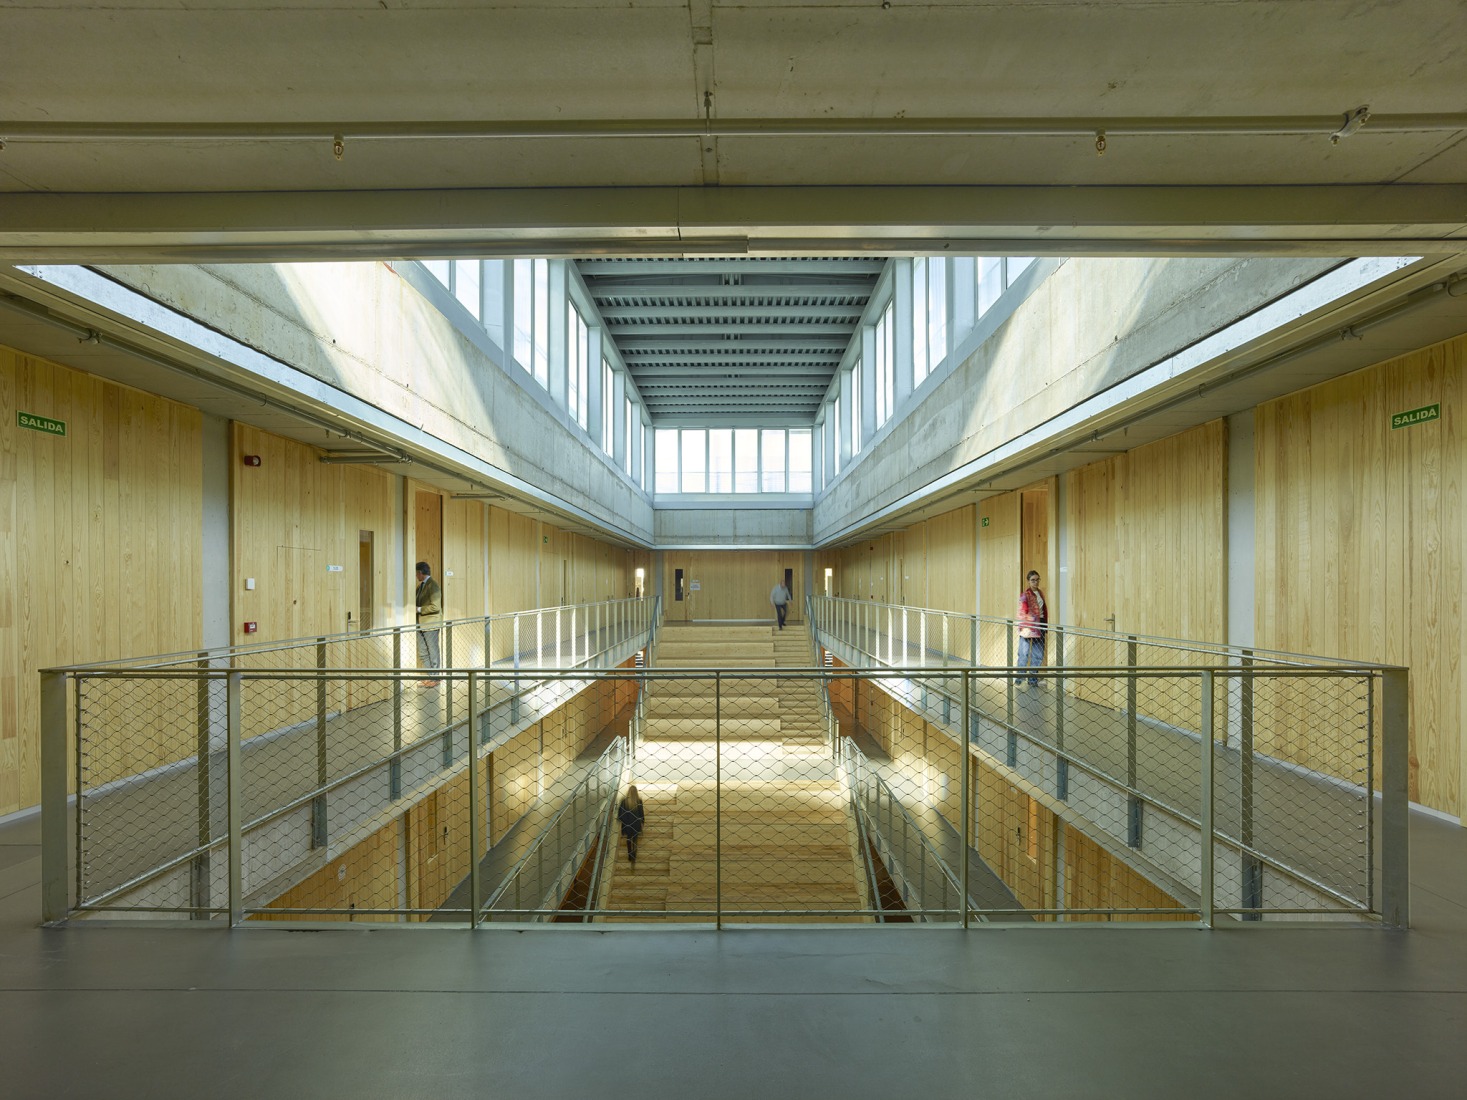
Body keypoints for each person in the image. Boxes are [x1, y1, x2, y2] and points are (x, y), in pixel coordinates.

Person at [1017, 569, 1047, 688]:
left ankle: (1033, 680)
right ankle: (1019, 680)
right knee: (1023, 654)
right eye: (1033, 580)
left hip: (1041, 625)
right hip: (1029, 627)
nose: (1035, 582)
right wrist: (1026, 627)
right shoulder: (1025, 595)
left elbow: (1043, 610)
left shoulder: (1040, 593)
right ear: (1028, 581)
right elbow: (1022, 613)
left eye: (1037, 580)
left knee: (1038, 654)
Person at [415, 560, 443, 686]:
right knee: (422, 651)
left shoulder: (433, 585)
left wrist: (419, 609)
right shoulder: (420, 586)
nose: (416, 576)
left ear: (421, 572)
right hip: (420, 624)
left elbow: (435, 607)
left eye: (417, 573)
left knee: (433, 651)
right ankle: (429, 676)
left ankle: (435, 678)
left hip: (431, 624)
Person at [617, 784, 645, 866]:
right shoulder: (639, 801)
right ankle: (634, 854)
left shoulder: (624, 801)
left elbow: (620, 814)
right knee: (635, 839)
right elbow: (641, 813)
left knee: (628, 838)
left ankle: (629, 855)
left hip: (627, 824)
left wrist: (623, 822)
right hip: (636, 824)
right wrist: (643, 822)